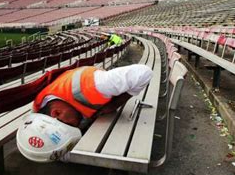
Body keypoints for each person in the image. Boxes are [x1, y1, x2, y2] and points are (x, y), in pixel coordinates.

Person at [16, 64, 153, 162]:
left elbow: (144, 72)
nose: (75, 126)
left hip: (92, 81)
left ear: (56, 112)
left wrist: (115, 104)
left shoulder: (97, 85)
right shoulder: (40, 108)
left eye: (70, 125)